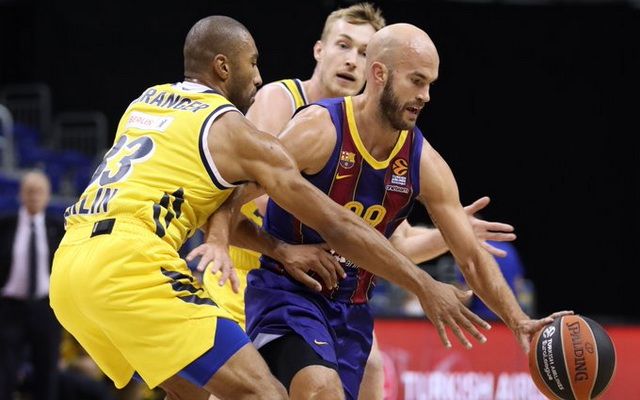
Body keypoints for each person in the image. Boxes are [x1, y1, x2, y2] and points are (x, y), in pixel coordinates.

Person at [49, 15, 496, 400]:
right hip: (173, 268)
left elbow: (383, 236)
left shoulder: (145, 102)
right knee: (264, 393)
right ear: (223, 67)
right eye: (253, 63)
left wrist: (446, 237)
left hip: (71, 262)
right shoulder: (262, 115)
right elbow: (334, 224)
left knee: (192, 392)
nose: (258, 76)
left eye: (362, 51)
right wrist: (423, 285)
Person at [211, 23, 571, 400]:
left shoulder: (423, 162)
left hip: (351, 310)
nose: (425, 95)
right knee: (320, 388)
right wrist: (258, 247)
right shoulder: (319, 129)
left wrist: (519, 322)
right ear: (380, 74)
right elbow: (231, 196)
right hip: (287, 293)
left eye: (430, 84)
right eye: (416, 81)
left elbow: (470, 257)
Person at [0, 170, 65, 400]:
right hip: (9, 307)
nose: (34, 196)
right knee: (5, 372)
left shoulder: (58, 228)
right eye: (30, 191)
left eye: (39, 191)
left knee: (47, 372)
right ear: (21, 194)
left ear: (47, 195)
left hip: (46, 308)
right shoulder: (5, 225)